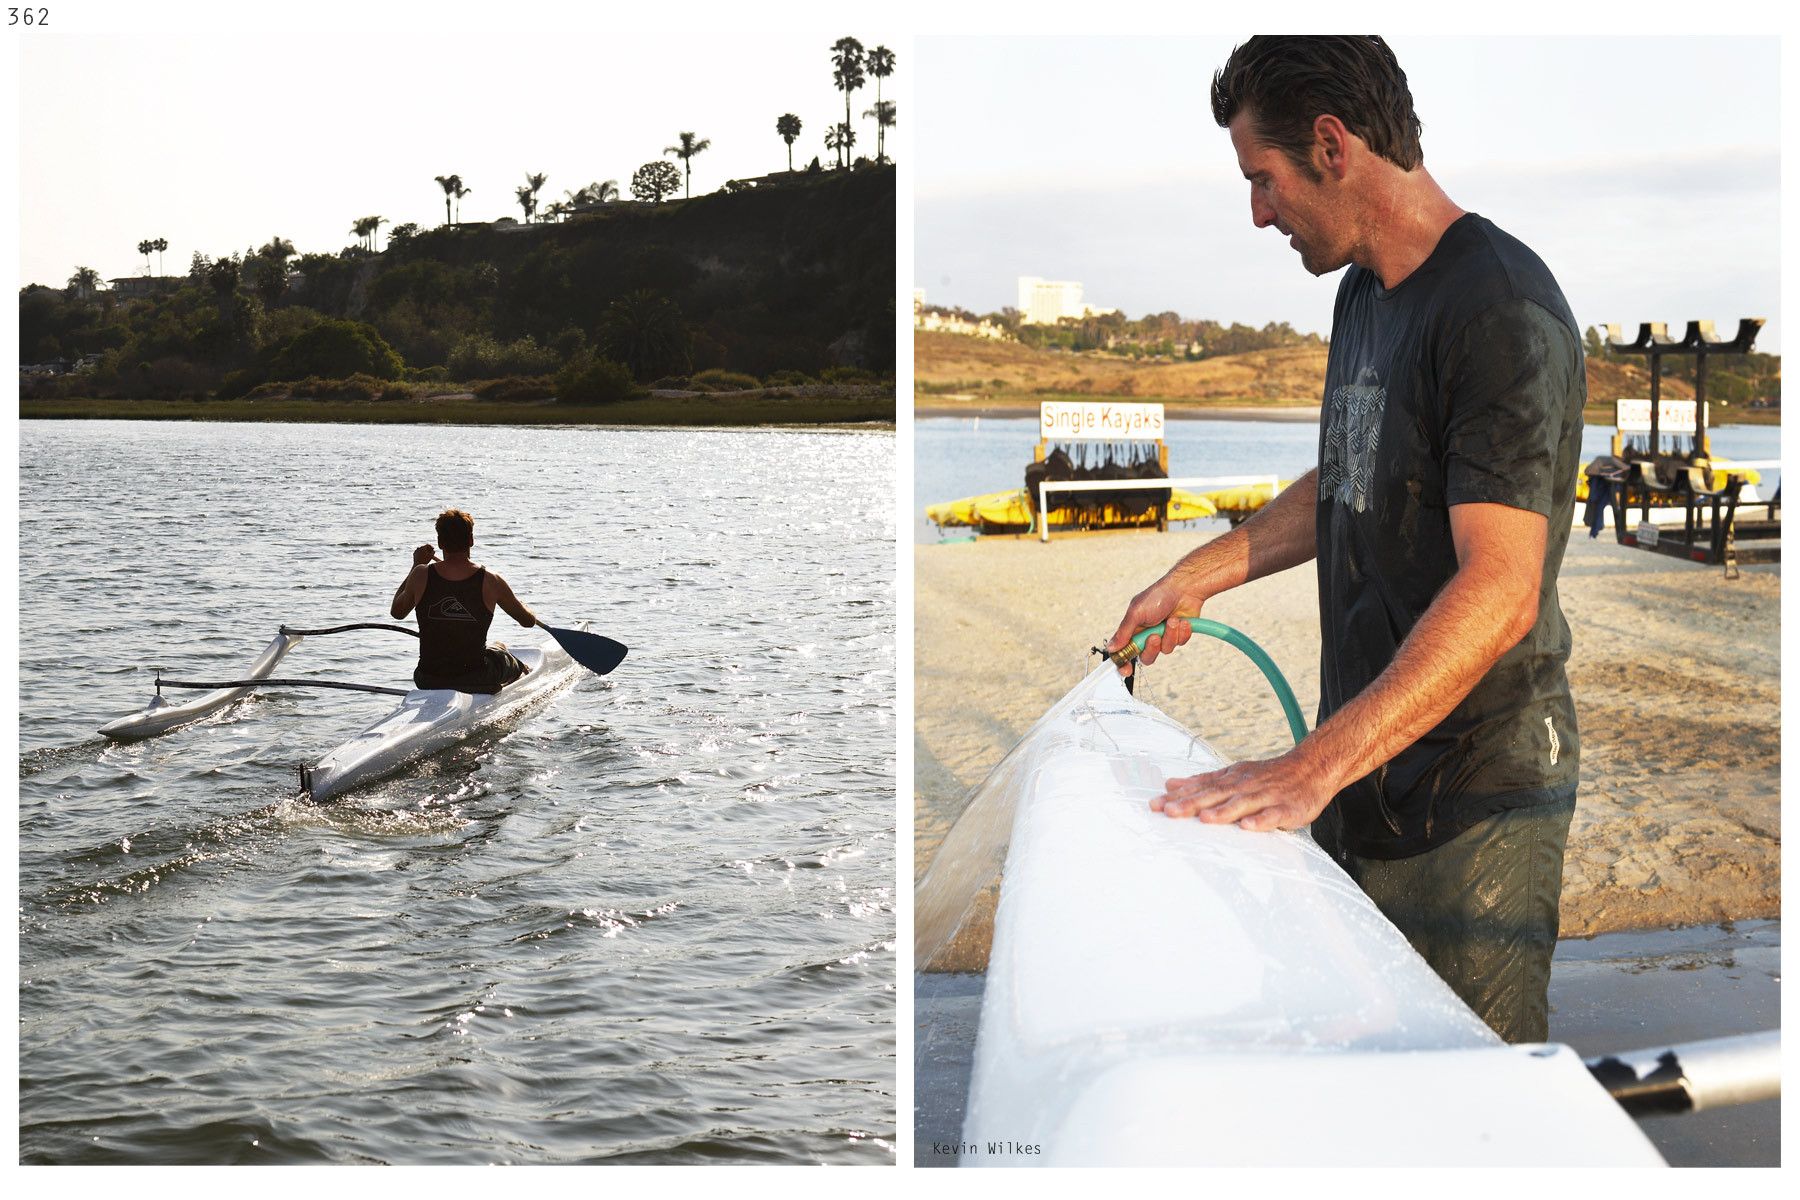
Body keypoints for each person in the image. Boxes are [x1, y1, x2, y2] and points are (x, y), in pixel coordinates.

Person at [1105, 36, 1585, 1044]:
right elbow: (1354, 471)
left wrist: (1310, 767)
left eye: (1262, 179)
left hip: (1473, 801)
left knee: (1469, 1111)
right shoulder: (1364, 295)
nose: (1257, 212)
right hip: (1364, 770)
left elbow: (1501, 589)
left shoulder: (1498, 307)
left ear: (1330, 145)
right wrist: (1199, 573)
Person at [392, 508, 541, 694]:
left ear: (440, 542)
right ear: (471, 540)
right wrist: (523, 606)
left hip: (427, 678)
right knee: (502, 653)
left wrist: (416, 564)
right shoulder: (491, 580)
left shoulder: (420, 574)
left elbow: (397, 612)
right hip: (476, 677)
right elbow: (528, 621)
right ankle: (520, 671)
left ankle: (499, 653)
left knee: (497, 648)